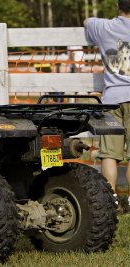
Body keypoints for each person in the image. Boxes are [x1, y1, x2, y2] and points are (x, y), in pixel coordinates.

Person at [84, 0, 130, 211]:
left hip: (112, 98)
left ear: (118, 5)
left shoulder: (104, 28)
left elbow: (88, 22)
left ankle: (110, 200)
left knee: (109, 154)